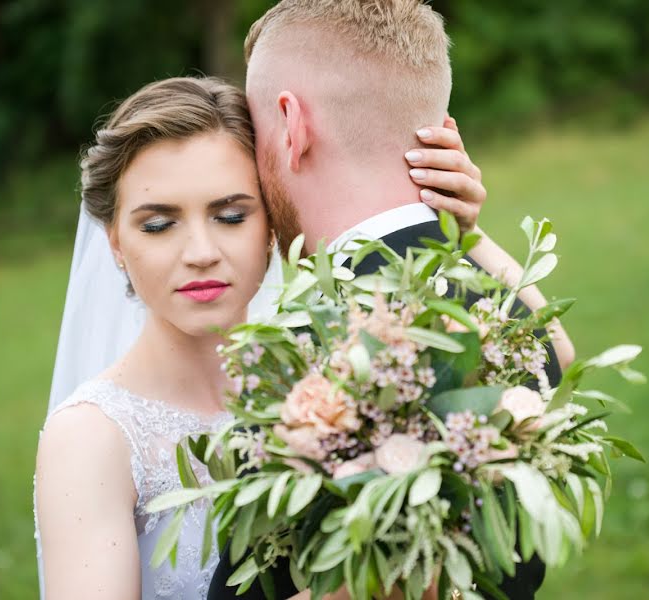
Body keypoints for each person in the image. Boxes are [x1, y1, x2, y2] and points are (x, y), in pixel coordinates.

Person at [34, 74, 549, 599]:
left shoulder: (335, 374)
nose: (200, 251)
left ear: (273, 223)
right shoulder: (92, 439)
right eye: (159, 224)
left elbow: (551, 358)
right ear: (115, 241)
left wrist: (463, 231)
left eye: (230, 215)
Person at [207, 1, 573, 598]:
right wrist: (468, 235)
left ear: (290, 124)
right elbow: (562, 350)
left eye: (253, 132)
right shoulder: (520, 327)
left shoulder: (300, 368)